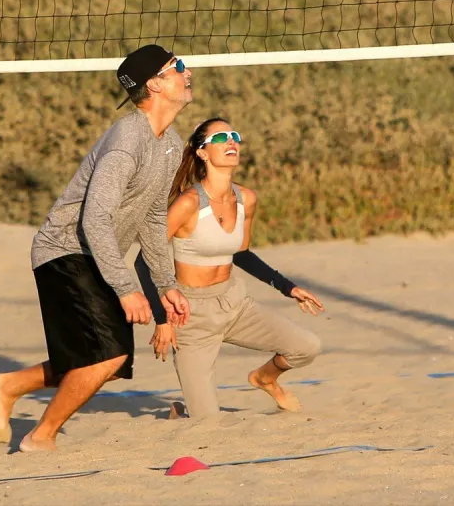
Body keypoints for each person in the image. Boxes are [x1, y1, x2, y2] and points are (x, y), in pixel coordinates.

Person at [0, 44, 193, 452]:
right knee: (107, 356)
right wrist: (126, 288)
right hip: (65, 248)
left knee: (111, 364)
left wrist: (166, 284)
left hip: (96, 253)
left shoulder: (170, 143)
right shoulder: (127, 139)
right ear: (154, 84)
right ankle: (40, 437)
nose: (188, 72)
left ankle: (10, 385)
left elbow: (153, 217)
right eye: (178, 67)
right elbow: (94, 219)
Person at [134, 117, 324, 419]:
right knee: (207, 422)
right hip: (190, 316)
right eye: (221, 138)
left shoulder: (246, 199)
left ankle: (264, 378)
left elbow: (241, 254)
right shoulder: (188, 203)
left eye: (234, 135)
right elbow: (144, 259)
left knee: (307, 347)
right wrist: (162, 319)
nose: (231, 141)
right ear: (202, 152)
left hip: (234, 304)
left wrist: (289, 288)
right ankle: (179, 413)